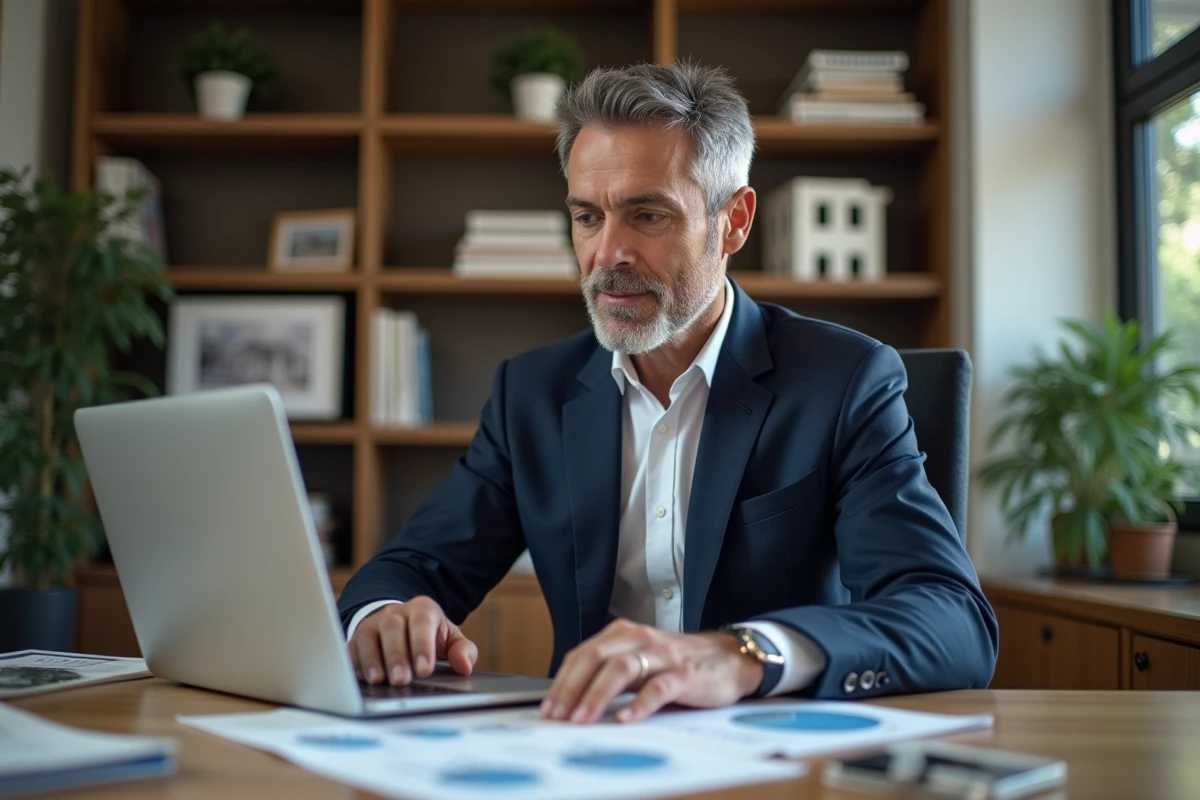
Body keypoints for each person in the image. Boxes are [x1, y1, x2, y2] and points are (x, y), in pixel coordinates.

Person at [338, 62, 997, 725]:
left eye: (646, 215)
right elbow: (413, 567)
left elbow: (952, 619)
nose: (608, 253)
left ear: (733, 221)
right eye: (588, 217)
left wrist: (743, 654)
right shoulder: (531, 393)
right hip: (585, 747)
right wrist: (386, 616)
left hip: (772, 752)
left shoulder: (846, 382)